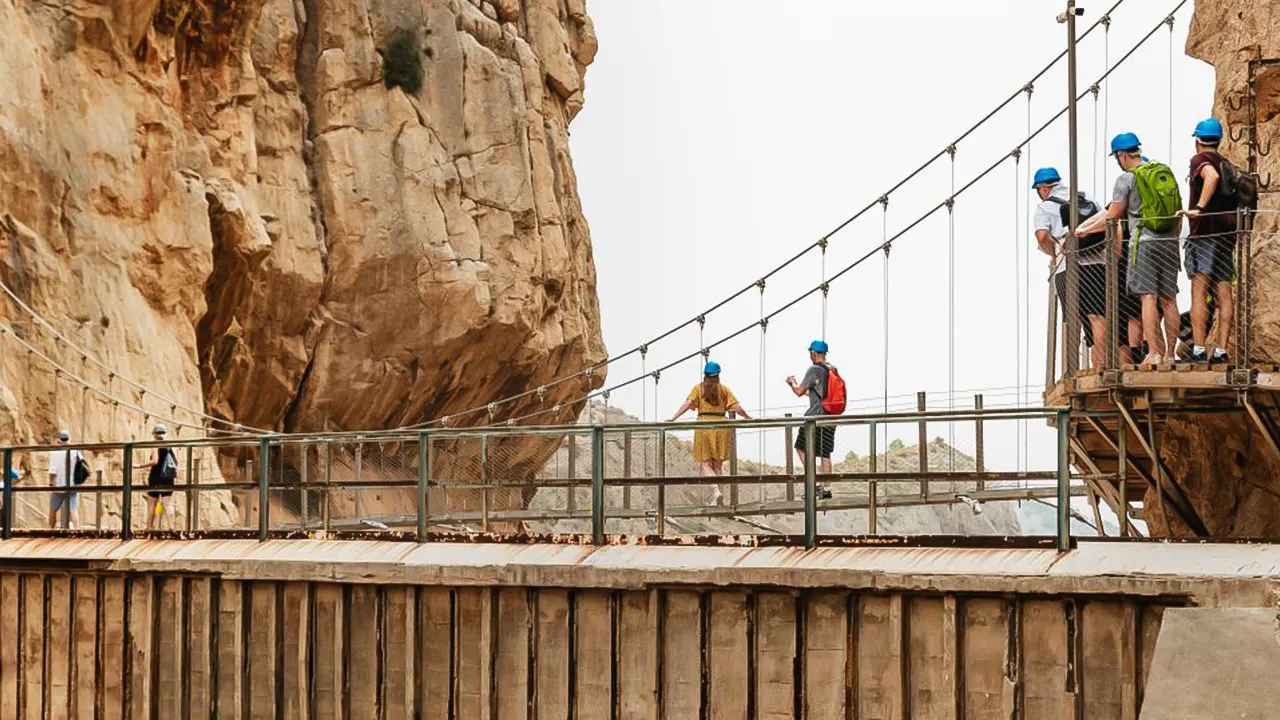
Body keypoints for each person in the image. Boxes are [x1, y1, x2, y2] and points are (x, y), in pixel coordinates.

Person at [1078, 133, 1183, 365]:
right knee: (1170, 299)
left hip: (1144, 243)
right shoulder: (1162, 172)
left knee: (1148, 297)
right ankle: (1171, 355)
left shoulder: (1126, 179)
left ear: (1122, 155)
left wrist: (1084, 230)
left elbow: (1113, 215)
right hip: (1169, 242)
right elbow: (1178, 211)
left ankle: (1155, 352)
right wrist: (1173, 239)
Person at [1032, 167, 1109, 368]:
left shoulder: (1044, 208)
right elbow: (1107, 221)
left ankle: (1071, 369)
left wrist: (1054, 252)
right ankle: (1100, 365)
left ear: (1043, 188)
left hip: (1067, 267)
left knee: (1071, 319)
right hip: (1096, 263)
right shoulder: (1086, 197)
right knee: (1097, 315)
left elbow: (1041, 236)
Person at [1180, 118, 1236, 364]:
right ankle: (1222, 350)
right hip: (1226, 236)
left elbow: (1210, 177)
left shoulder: (1200, 160)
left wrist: (1199, 208)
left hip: (1204, 235)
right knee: (1224, 292)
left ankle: (1200, 349)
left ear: (1197, 141)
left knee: (1199, 291)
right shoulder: (1227, 163)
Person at [669, 362, 751, 506]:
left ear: (705, 375)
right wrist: (747, 417)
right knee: (718, 465)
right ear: (718, 376)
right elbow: (736, 407)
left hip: (704, 426)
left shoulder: (698, 389)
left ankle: (715, 491)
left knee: (705, 464)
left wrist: (673, 418)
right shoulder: (724, 390)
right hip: (721, 426)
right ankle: (719, 497)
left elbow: (688, 404)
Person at [784, 340, 835, 500]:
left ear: (813, 353)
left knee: (801, 448)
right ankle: (827, 489)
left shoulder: (814, 369)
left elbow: (799, 392)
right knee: (825, 454)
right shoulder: (831, 369)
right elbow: (817, 393)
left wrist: (791, 383)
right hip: (830, 417)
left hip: (815, 418)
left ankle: (814, 484)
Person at [135, 424, 177, 530]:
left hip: (156, 477)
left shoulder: (155, 444)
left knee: (152, 503)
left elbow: (155, 461)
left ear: (154, 434)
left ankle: (149, 527)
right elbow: (176, 462)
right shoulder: (169, 446)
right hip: (168, 477)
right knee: (166, 503)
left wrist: (140, 465)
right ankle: (172, 527)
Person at [47, 429, 82, 529]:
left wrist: (51, 484)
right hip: (72, 484)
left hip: (59, 484)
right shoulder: (75, 451)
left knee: (53, 509)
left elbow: (53, 471)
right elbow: (82, 464)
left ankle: (51, 530)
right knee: (73, 509)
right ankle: (76, 530)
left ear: (58, 439)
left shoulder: (55, 452)